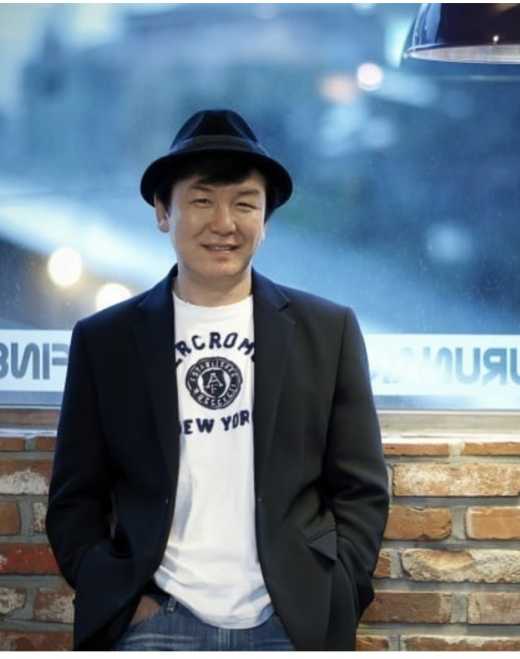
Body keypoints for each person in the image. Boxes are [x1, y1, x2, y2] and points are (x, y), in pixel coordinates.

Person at [46, 109, 389, 651]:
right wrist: (119, 598)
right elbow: (73, 499)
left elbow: (361, 488)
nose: (225, 223)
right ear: (163, 212)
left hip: (290, 621)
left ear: (265, 218)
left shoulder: (328, 331)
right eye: (202, 201)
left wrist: (335, 590)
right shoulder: (105, 341)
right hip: (155, 621)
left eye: (245, 204)